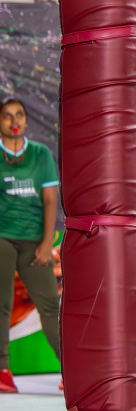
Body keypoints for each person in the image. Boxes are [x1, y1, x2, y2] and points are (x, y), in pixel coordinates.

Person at [0, 98, 62, 393]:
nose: (14, 120)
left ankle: (71, 371)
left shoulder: (40, 154)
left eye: (19, 115)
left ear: (25, 121)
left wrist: (46, 242)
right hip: (2, 237)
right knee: (1, 305)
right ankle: (3, 372)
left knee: (50, 305)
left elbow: (50, 199)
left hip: (34, 241)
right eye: (7, 116)